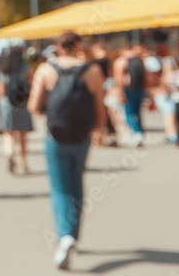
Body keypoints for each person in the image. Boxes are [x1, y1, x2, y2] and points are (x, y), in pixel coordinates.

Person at [29, 31, 106, 270]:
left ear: (58, 47)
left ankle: (64, 237)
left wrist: (49, 113)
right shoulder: (92, 71)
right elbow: (99, 106)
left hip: (56, 136)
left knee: (59, 187)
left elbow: (33, 105)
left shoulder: (46, 69)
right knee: (76, 183)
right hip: (82, 136)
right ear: (79, 45)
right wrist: (100, 130)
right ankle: (73, 233)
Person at [0, 46, 34, 174]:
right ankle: (24, 162)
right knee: (23, 135)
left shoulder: (4, 69)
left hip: (7, 104)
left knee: (8, 133)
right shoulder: (25, 68)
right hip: (22, 104)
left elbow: (0, 90)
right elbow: (32, 82)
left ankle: (10, 153)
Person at [113, 44, 146, 147]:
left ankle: (136, 132)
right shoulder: (139, 60)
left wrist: (119, 92)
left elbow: (118, 78)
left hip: (128, 90)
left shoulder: (121, 61)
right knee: (137, 112)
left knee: (128, 113)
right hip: (140, 90)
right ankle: (139, 132)